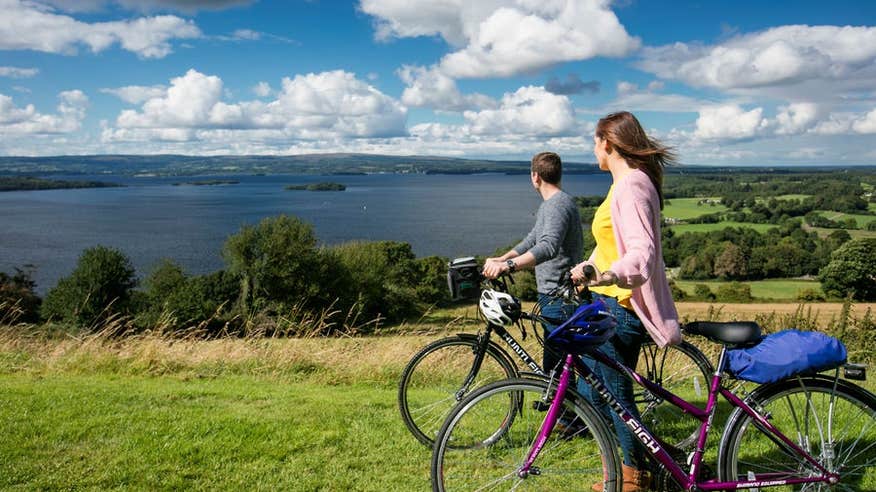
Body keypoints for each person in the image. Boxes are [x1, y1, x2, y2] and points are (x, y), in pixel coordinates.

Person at [570, 111, 682, 492]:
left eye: (594, 141)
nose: (592, 149)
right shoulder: (623, 184)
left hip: (621, 307)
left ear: (609, 143)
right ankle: (633, 467)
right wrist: (587, 268)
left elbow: (641, 252)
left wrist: (609, 276)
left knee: (615, 397)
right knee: (591, 392)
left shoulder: (632, 184)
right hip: (604, 302)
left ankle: (635, 478)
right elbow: (610, 247)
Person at [483, 151, 583, 375]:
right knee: (555, 359)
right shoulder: (555, 202)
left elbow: (548, 246)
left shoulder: (555, 205)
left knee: (557, 362)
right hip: (554, 294)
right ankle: (559, 406)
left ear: (535, 176)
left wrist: (508, 267)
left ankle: (565, 408)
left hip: (559, 294)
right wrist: (503, 258)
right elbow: (533, 239)